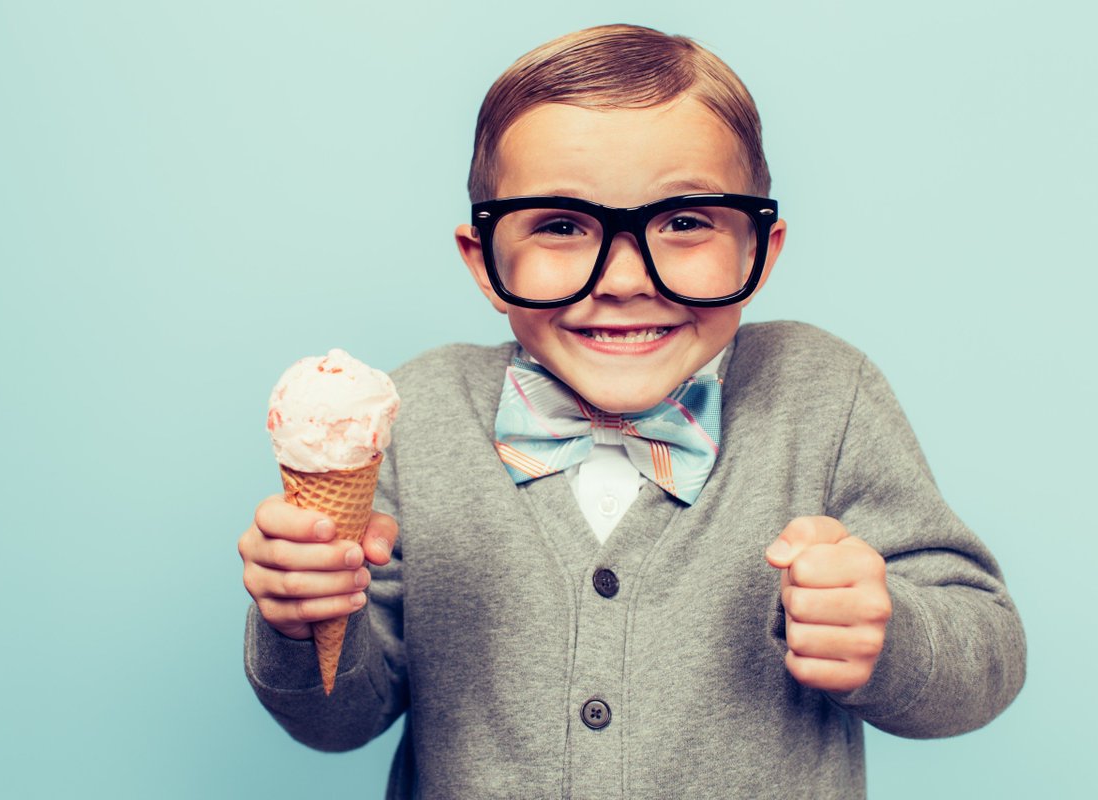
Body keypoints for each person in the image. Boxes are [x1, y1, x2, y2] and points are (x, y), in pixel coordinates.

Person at [238, 24, 1025, 798]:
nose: (621, 278)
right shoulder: (423, 416)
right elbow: (337, 723)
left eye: (683, 222)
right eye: (561, 225)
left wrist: (889, 639)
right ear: (485, 262)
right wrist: (298, 621)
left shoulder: (823, 394)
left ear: (758, 250)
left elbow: (987, 652)